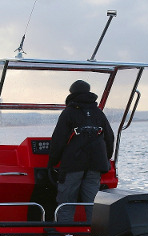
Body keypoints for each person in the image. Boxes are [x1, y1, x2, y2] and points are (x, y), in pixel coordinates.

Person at [48, 80, 114, 223]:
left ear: (72, 93)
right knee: (93, 204)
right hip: (96, 165)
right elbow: (110, 137)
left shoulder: (68, 113)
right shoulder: (98, 113)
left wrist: (52, 162)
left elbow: (58, 140)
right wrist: (106, 158)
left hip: (73, 165)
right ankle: (94, 233)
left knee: (67, 203)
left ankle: (65, 233)